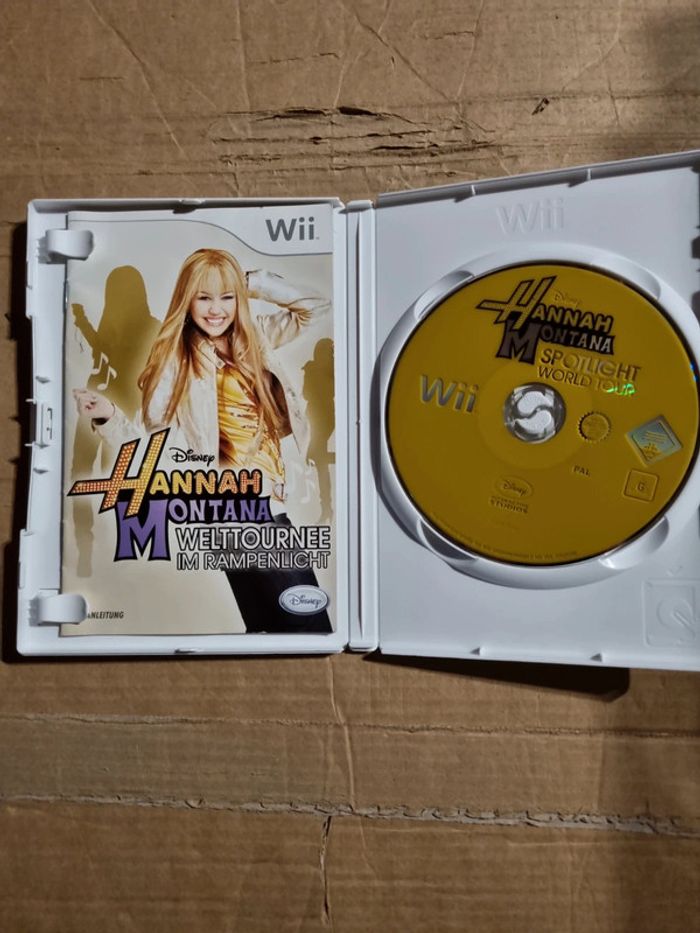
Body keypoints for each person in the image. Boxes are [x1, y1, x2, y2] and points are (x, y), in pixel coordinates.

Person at [74, 248, 333, 634]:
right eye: (204, 297)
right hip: (237, 503)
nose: (216, 310)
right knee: (307, 628)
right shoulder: (175, 361)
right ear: (187, 298)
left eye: (226, 297)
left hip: (258, 504)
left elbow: (316, 306)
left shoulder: (255, 337)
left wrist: (249, 282)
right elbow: (155, 447)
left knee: (268, 631)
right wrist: (110, 417)